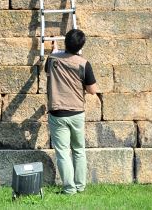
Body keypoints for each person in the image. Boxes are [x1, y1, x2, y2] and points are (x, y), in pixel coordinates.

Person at [45, 29, 98, 195]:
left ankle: (69, 188)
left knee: (62, 153)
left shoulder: (52, 59)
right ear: (81, 46)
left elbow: (50, 68)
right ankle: (80, 186)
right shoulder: (84, 64)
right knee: (79, 150)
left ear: (66, 42)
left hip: (58, 113)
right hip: (76, 113)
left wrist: (55, 49)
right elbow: (92, 90)